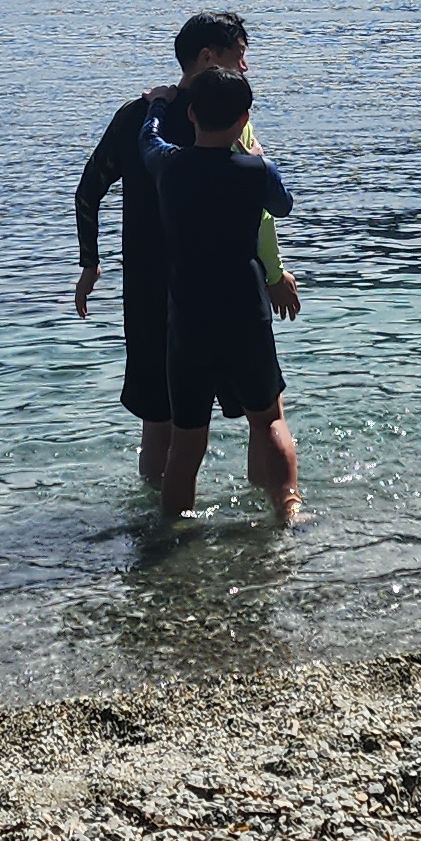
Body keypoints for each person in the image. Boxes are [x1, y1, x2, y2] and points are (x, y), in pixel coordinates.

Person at [73, 13, 298, 497]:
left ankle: (163, 534)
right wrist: (276, 273)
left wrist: (90, 263)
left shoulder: (139, 119)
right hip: (234, 290)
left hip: (155, 291)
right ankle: (273, 519)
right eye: (239, 56)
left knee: (163, 421)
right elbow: (262, 209)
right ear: (207, 57)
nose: (245, 67)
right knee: (265, 416)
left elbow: (89, 188)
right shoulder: (233, 120)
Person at [140, 67, 301, 520]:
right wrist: (257, 156)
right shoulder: (256, 171)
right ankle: (289, 509)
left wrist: (156, 105)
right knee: (268, 418)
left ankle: (173, 536)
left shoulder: (169, 167)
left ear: (191, 113)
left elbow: (148, 140)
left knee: (187, 440)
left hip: (189, 316)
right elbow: (283, 206)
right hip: (246, 310)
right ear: (244, 116)